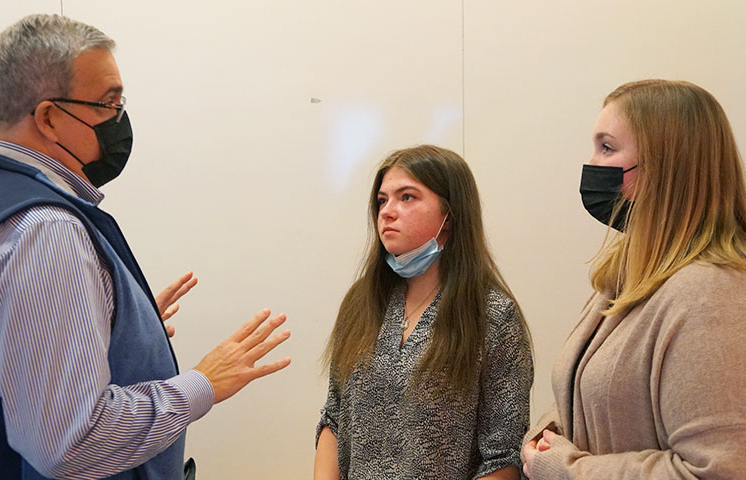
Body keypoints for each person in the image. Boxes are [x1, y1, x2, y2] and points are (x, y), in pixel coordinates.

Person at [0, 14, 291, 479]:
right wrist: (202, 384)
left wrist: (113, 323)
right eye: (108, 103)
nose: (120, 119)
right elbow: (71, 443)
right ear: (49, 117)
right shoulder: (43, 230)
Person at [521, 80, 746, 479]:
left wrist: (563, 469)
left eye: (607, 148)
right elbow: (597, 392)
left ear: (665, 165)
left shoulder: (711, 294)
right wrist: (549, 433)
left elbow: (719, 470)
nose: (592, 163)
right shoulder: (629, 272)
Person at [314, 145, 533, 480]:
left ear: (450, 215)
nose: (387, 212)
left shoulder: (493, 317)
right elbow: (333, 419)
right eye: (382, 200)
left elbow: (502, 458)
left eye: (407, 197)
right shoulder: (362, 302)